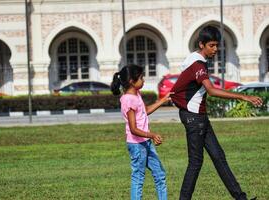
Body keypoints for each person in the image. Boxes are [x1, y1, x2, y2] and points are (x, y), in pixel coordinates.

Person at [170, 25, 262, 200]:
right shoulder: (198, 64)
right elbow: (211, 90)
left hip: (199, 117)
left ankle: (241, 198)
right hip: (193, 118)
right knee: (196, 162)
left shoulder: (197, 62)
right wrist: (243, 97)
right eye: (211, 45)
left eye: (216, 45)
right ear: (201, 44)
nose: (215, 49)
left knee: (219, 157)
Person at [111, 64, 172, 200]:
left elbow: (146, 110)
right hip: (137, 145)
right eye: (141, 78)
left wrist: (163, 99)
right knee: (138, 178)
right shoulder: (128, 100)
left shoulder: (136, 94)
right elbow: (133, 129)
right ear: (132, 82)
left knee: (160, 174)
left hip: (146, 142)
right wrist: (152, 135)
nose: (143, 80)